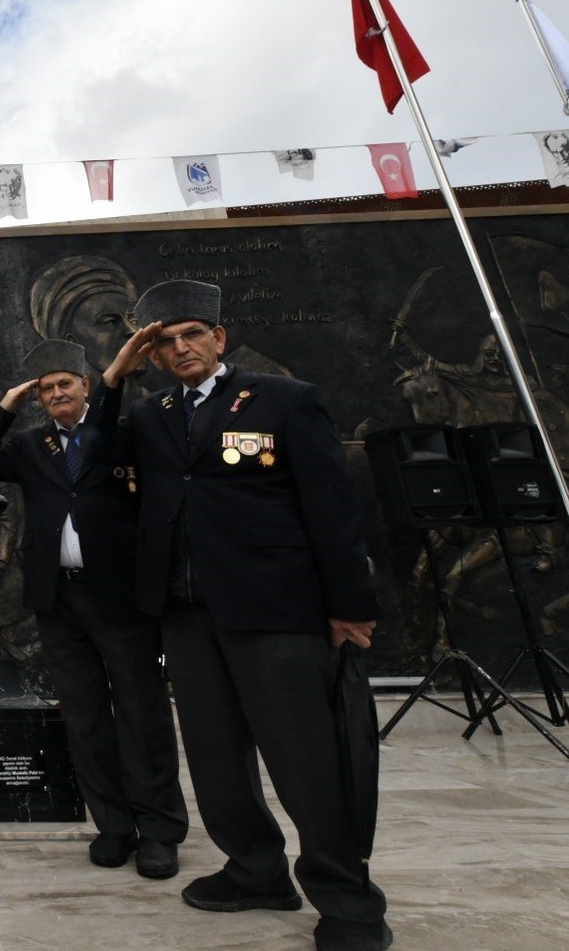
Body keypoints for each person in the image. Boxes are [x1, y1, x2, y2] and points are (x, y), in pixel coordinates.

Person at [102, 280, 391, 951]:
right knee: (215, 759)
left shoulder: (284, 401)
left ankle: (348, 900)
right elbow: (95, 457)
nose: (180, 348)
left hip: (274, 611)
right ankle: (256, 869)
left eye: (191, 335)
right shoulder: (150, 414)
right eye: (165, 341)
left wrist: (349, 605)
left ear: (217, 338)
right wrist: (115, 377)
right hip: (186, 614)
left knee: (305, 760)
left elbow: (333, 506)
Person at [0, 339, 188, 879]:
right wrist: (5, 408)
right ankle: (113, 825)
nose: (57, 392)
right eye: (47, 388)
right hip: (58, 598)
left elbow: (98, 440)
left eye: (66, 382)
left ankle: (158, 828)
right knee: (85, 716)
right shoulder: (31, 444)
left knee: (141, 713)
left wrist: (114, 379)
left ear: (87, 386)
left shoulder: (118, 432)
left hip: (118, 596)